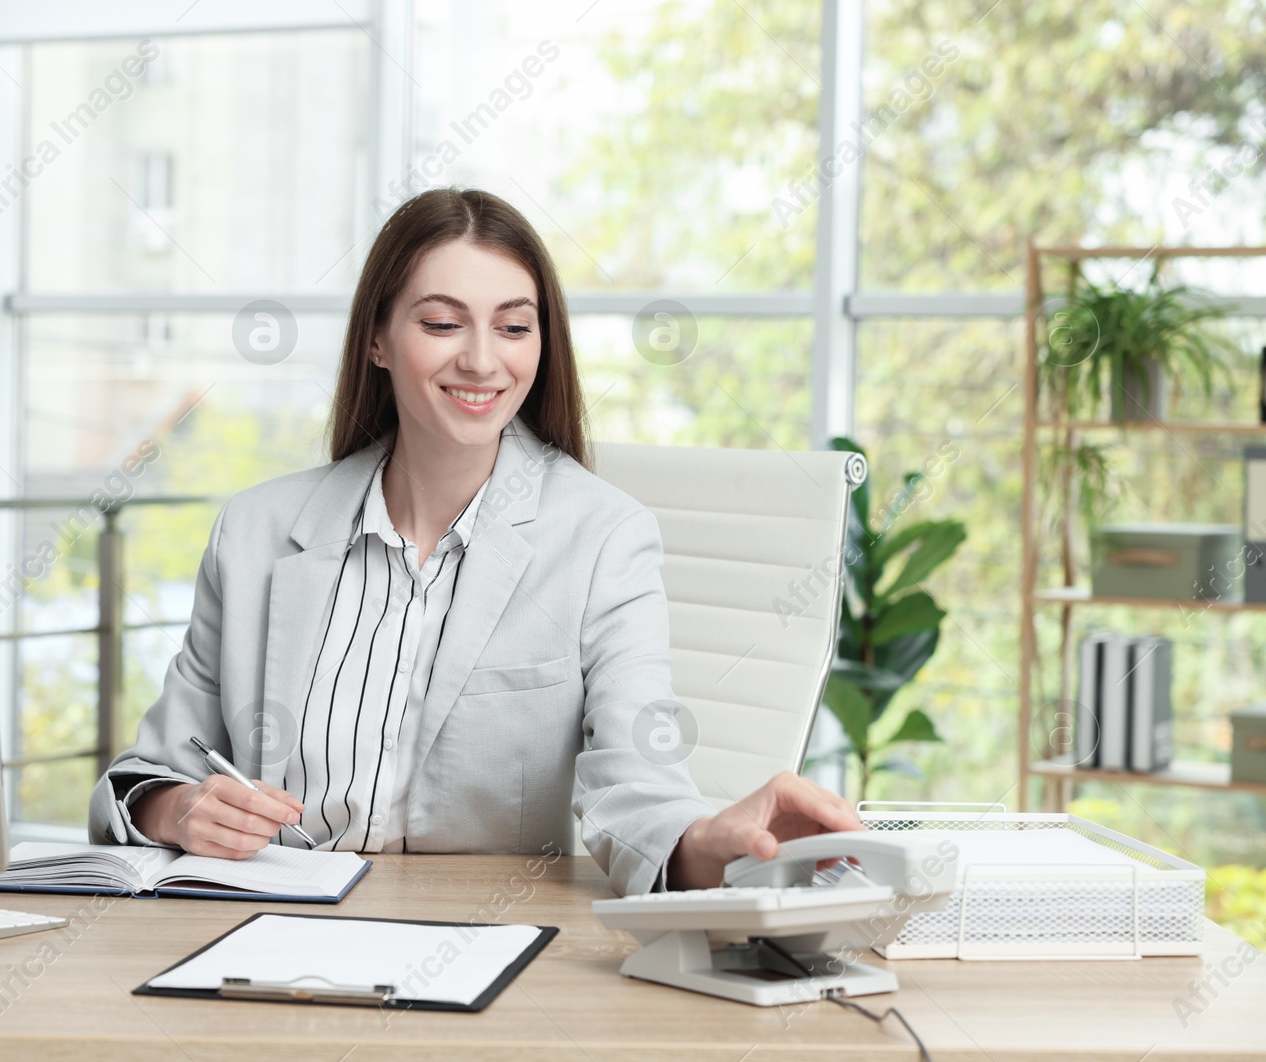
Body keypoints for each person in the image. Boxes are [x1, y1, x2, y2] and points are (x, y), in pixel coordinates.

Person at [87, 187, 861, 896]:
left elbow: (636, 786)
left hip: (475, 937)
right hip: (255, 927)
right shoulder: (255, 532)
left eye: (514, 326)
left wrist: (708, 843)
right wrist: (176, 807)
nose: (483, 359)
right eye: (442, 322)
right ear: (379, 341)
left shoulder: (602, 539)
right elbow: (151, 773)